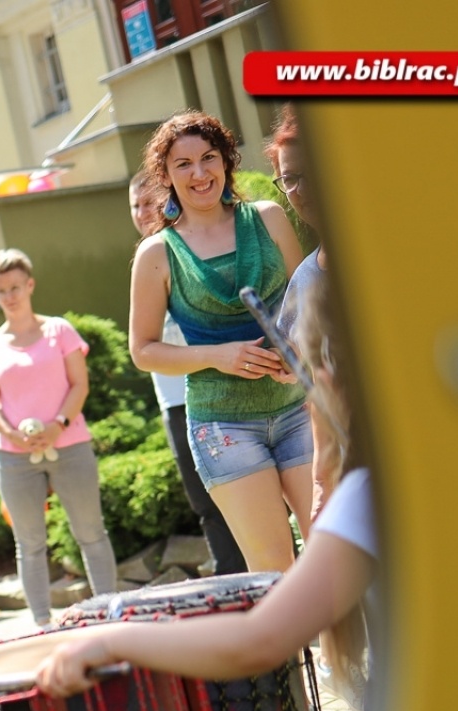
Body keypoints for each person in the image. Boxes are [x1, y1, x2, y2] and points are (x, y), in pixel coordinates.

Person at [37, 271, 373, 711]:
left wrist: (112, 640)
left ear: (325, 382)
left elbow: (257, 640)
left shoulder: (364, 499)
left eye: (307, 369)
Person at [129, 111, 311, 573]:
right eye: (183, 164)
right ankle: (290, 650)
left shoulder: (269, 219)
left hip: (299, 409)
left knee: (329, 549)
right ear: (165, 177)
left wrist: (299, 352)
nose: (199, 173)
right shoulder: (156, 254)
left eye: (209, 158)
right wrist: (219, 357)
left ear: (227, 161)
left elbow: (307, 304)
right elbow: (143, 349)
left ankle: (345, 649)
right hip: (224, 426)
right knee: (272, 566)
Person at [0, 248, 118, 626]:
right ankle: (42, 623)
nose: (9, 295)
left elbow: (79, 384)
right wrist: (10, 434)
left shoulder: (59, 330)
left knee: (91, 532)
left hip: (70, 445)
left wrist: (58, 426)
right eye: (1, 289)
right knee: (29, 544)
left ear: (30, 284)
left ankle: (110, 612)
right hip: (13, 456)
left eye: (15, 287)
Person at [129, 171, 247, 576]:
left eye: (150, 202)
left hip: (229, 388)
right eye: (135, 205)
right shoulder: (146, 261)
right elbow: (142, 346)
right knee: (205, 503)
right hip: (176, 402)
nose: (143, 212)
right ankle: (237, 597)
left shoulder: (201, 250)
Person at [265, 106, 337, 520]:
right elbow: (315, 387)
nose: (302, 189)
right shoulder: (306, 278)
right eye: (290, 178)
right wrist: (321, 485)